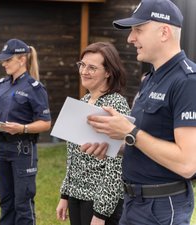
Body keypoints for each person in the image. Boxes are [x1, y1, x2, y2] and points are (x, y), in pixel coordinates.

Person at [81, 0, 196, 224]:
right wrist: (116, 146)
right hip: (133, 203)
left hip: (162, 207)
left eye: (138, 30)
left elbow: (187, 163)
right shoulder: (150, 79)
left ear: (164, 32)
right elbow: (148, 141)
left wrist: (129, 132)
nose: (130, 38)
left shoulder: (187, 82)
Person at [56, 42, 131, 225]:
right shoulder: (84, 101)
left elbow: (117, 165)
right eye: (82, 65)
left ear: (108, 72)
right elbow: (72, 156)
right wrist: (65, 195)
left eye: (92, 67)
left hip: (99, 201)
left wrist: (101, 214)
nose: (84, 71)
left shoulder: (115, 105)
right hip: (76, 197)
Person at [0, 38, 51, 225]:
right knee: (6, 201)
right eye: (3, 60)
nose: (4, 64)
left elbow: (46, 123)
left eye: (8, 60)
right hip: (1, 149)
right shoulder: (2, 85)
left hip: (22, 151)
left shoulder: (34, 88)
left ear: (22, 59)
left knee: (23, 203)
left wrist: (23, 128)